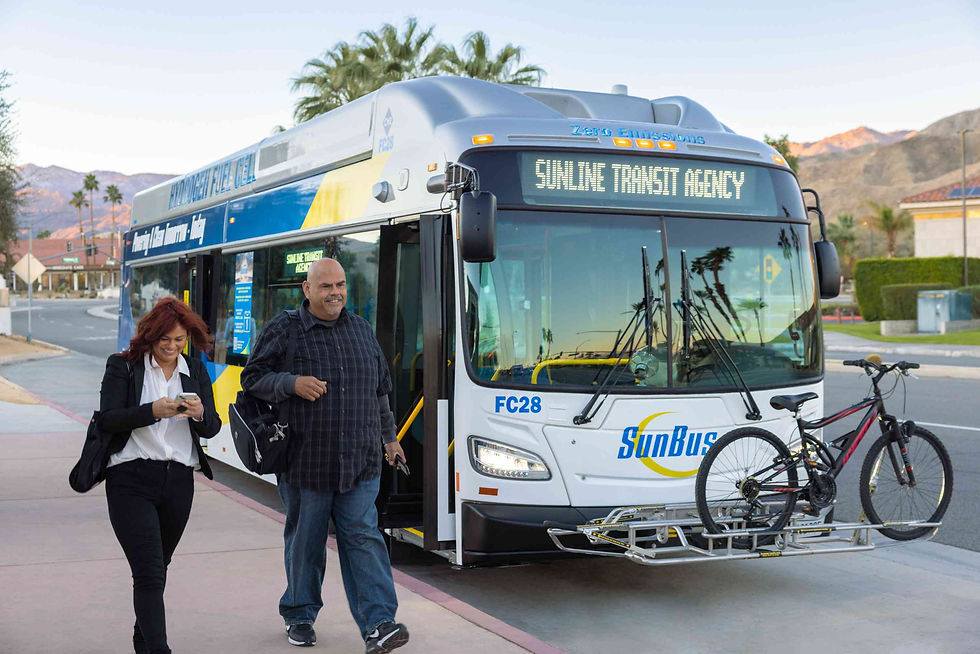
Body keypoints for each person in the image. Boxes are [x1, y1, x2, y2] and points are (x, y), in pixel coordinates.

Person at [241, 258, 409, 653]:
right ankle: (299, 615)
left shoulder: (361, 330)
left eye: (341, 285)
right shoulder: (285, 329)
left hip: (361, 462)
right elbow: (252, 379)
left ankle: (379, 623)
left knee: (364, 538)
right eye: (326, 286)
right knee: (307, 543)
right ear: (307, 289)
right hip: (306, 462)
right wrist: (290, 383)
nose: (335, 293)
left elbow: (380, 390)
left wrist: (390, 438)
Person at [99, 297, 222, 654]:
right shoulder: (123, 366)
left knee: (159, 567)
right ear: (150, 337)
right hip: (130, 479)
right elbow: (108, 419)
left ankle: (143, 640)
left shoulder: (195, 371)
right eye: (164, 340)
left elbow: (212, 428)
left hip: (179, 482)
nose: (171, 348)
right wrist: (152, 411)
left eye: (179, 341)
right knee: (149, 571)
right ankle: (159, 649)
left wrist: (199, 413)